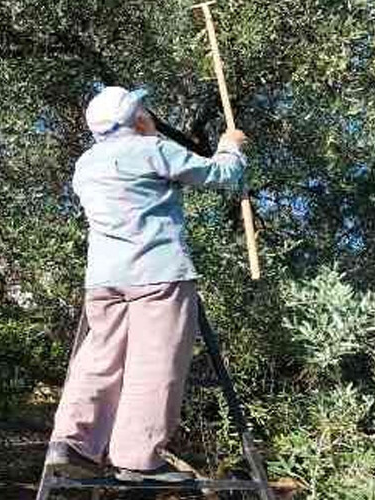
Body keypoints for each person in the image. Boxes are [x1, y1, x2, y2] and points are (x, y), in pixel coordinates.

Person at [45, 86, 247, 482]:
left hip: (104, 280)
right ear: (137, 119)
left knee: (99, 358)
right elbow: (221, 175)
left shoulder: (85, 164)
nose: (151, 116)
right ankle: (138, 460)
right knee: (155, 364)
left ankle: (71, 442)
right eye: (145, 110)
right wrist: (231, 146)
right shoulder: (152, 148)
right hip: (158, 274)